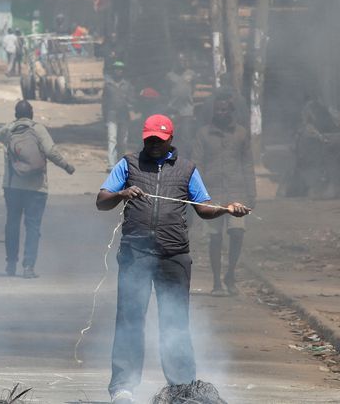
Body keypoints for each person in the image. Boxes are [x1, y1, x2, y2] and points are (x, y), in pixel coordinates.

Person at [96, 114, 252, 404]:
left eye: (160, 139)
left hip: (174, 255)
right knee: (130, 319)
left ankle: (182, 389)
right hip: (136, 254)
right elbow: (101, 200)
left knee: (175, 322)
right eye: (150, 139)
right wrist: (121, 193)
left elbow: (203, 208)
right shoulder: (128, 164)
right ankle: (123, 387)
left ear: (171, 139)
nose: (154, 144)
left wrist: (227, 209)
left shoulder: (187, 169)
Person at [0, 100, 75, 278]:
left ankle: (10, 264)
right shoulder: (38, 129)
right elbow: (51, 151)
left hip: (12, 186)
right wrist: (67, 166)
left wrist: (13, 124)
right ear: (31, 113)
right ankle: (28, 267)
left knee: (12, 224)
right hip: (36, 187)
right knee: (33, 227)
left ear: (16, 114)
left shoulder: (8, 131)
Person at [192, 91, 256, 296]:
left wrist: (252, 193)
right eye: (217, 109)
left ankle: (230, 274)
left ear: (231, 111)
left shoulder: (241, 133)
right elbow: (197, 164)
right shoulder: (203, 133)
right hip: (212, 194)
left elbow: (247, 164)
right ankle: (217, 282)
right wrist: (198, 193)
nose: (221, 113)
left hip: (238, 192)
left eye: (224, 109)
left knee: (237, 233)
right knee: (215, 237)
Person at [103, 62, 134, 167]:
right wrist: (104, 118)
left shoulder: (127, 85)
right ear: (113, 71)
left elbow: (132, 100)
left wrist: (129, 102)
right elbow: (104, 103)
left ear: (123, 71)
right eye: (116, 69)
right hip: (111, 116)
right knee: (112, 140)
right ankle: (111, 165)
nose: (118, 71)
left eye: (120, 69)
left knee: (123, 141)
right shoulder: (108, 85)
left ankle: (120, 163)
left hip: (124, 116)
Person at [165, 54, 197, 150]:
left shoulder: (191, 73)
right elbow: (166, 90)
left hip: (187, 109)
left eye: (184, 60)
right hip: (173, 109)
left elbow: (194, 87)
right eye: (180, 61)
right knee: (171, 135)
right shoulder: (170, 75)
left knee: (186, 135)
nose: (182, 63)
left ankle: (186, 157)